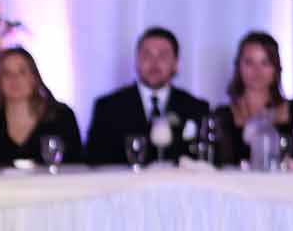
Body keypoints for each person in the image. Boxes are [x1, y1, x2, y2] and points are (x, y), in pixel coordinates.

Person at [86, 27, 211, 165]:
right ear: (136, 61)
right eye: (147, 55)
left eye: (162, 55)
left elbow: (205, 162)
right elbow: (94, 163)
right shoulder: (108, 107)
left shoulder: (196, 108)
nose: (154, 63)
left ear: (175, 64)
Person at [211, 31, 293, 166]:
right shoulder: (222, 115)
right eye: (249, 62)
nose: (257, 70)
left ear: (276, 68)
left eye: (265, 62)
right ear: (238, 67)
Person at [0, 47, 83, 167]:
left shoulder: (62, 116)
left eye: (22, 72)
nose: (14, 79)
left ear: (34, 78)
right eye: (7, 73)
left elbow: (77, 165)